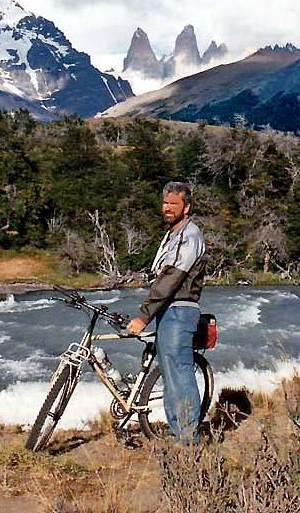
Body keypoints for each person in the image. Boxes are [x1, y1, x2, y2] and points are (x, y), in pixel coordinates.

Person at [126, 181, 207, 443]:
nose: (168, 208)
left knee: (180, 375)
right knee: (171, 376)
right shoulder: (173, 234)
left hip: (180, 310)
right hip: (168, 310)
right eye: (165, 203)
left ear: (187, 207)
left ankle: (188, 441)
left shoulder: (189, 234)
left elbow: (173, 276)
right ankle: (179, 435)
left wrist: (143, 315)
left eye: (174, 204)